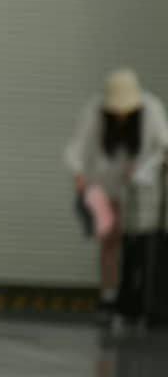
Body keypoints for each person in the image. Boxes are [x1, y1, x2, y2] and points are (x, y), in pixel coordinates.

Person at [66, 69, 168, 323]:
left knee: (136, 240)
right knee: (109, 238)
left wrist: (149, 165)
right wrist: (79, 177)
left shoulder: (152, 110)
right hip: (101, 185)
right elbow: (76, 149)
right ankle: (109, 296)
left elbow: (164, 144)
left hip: (137, 187)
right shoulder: (94, 112)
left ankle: (133, 297)